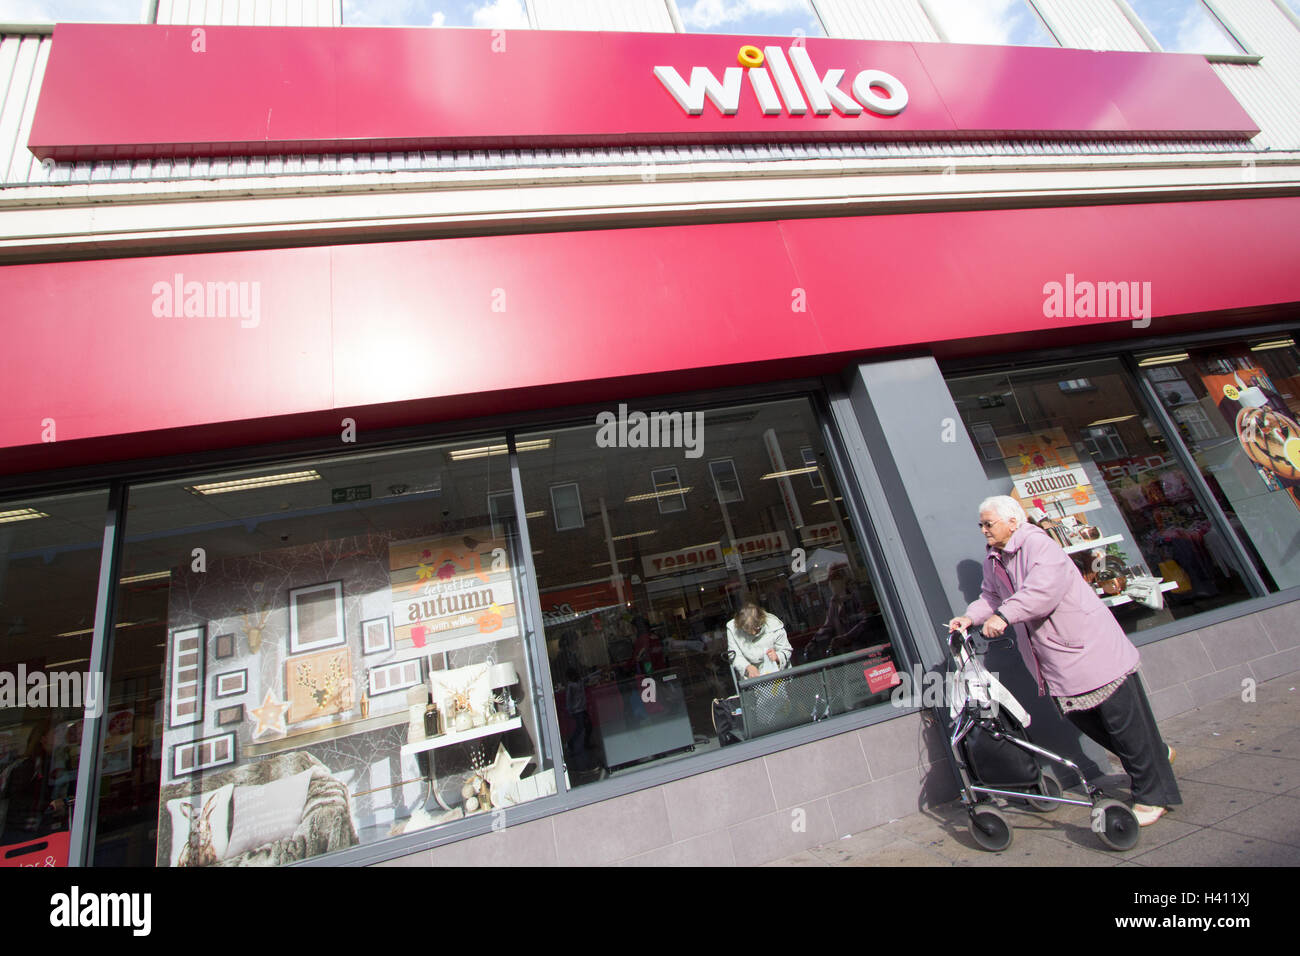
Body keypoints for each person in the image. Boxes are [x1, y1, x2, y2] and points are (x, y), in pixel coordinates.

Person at [947, 495, 1180, 826]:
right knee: (1085, 718)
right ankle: (1155, 752)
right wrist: (970, 618)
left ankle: (1153, 795)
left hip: (1089, 648)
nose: (983, 530)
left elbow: (1043, 591)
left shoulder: (1038, 546)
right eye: (981, 524)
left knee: (1122, 723)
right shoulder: (995, 558)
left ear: (1013, 521)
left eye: (989, 523)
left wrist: (1004, 616)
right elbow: (990, 595)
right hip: (1057, 658)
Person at [727, 603, 793, 680]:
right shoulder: (732, 628)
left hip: (779, 675)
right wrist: (747, 667)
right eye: (747, 630)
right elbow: (734, 655)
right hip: (752, 679)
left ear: (762, 620)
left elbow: (786, 649)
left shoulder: (774, 624)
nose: (753, 633)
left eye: (756, 629)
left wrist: (777, 657)